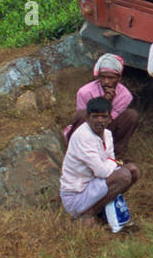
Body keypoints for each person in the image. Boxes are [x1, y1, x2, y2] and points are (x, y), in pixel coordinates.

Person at [60, 96, 140, 230]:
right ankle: (86, 214)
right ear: (87, 117)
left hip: (93, 186)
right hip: (76, 196)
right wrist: (113, 163)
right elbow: (102, 171)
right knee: (124, 175)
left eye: (104, 117)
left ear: (110, 118)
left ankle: (99, 210)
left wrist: (111, 163)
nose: (100, 121)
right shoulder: (83, 136)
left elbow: (110, 164)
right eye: (95, 116)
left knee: (133, 170)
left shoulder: (107, 135)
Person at [66, 54, 140, 157]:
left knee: (132, 115)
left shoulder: (125, 95)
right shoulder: (85, 92)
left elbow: (110, 120)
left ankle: (116, 153)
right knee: (83, 114)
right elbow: (81, 119)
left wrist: (108, 103)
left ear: (119, 78)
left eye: (111, 78)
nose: (106, 82)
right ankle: (78, 151)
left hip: (108, 127)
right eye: (102, 77)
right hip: (87, 128)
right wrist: (105, 102)